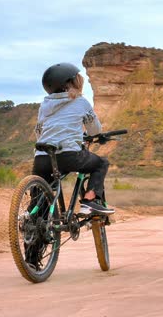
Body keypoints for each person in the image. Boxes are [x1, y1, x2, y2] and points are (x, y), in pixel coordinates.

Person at [33, 62, 113, 216]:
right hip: (68, 155)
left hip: (42, 157)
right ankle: (89, 202)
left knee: (39, 194)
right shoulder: (81, 102)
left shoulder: (44, 105)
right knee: (101, 163)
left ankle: (34, 225)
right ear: (71, 82)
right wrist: (90, 136)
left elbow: (39, 131)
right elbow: (95, 130)